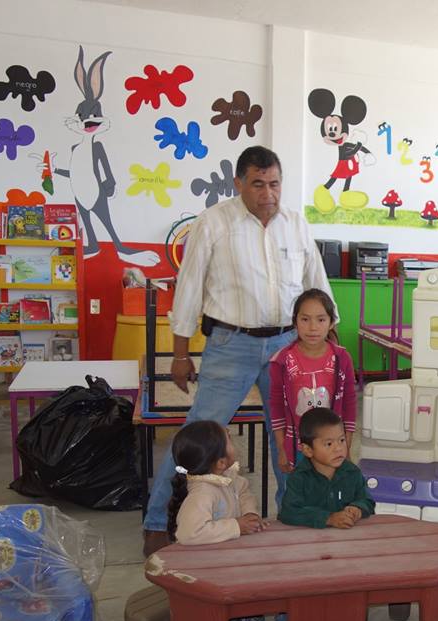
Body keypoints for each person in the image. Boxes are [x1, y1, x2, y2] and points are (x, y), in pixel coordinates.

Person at [142, 145, 335, 557]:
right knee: (198, 435)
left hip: (287, 344)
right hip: (230, 344)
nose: (269, 194)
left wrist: (327, 342)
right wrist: (179, 354)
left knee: (290, 435)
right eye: (258, 184)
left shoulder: (296, 225)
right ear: (239, 184)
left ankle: (294, 512)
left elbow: (317, 285)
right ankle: (158, 520)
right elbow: (189, 290)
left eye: (275, 184)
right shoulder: (214, 223)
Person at [166, 420, 267, 621]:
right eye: (229, 437)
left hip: (226, 563)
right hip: (205, 573)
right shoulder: (203, 493)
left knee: (245, 593)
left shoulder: (226, 477)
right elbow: (189, 533)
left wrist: (250, 514)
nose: (232, 437)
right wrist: (235, 525)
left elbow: (244, 492)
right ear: (220, 462)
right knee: (221, 615)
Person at [269, 289, 356, 474]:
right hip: (297, 447)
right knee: (296, 497)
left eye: (321, 319)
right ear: (295, 322)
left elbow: (350, 405)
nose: (313, 327)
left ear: (332, 322)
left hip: (332, 447)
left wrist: (345, 446)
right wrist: (281, 448)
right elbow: (276, 408)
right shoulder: (281, 361)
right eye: (305, 319)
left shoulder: (342, 358)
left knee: (329, 496)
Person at [279, 407, 375, 529]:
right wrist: (328, 518)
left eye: (341, 440)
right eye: (329, 444)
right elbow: (289, 512)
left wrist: (358, 508)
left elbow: (367, 501)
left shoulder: (352, 472)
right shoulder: (299, 477)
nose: (338, 448)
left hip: (347, 540)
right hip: (309, 542)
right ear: (308, 450)